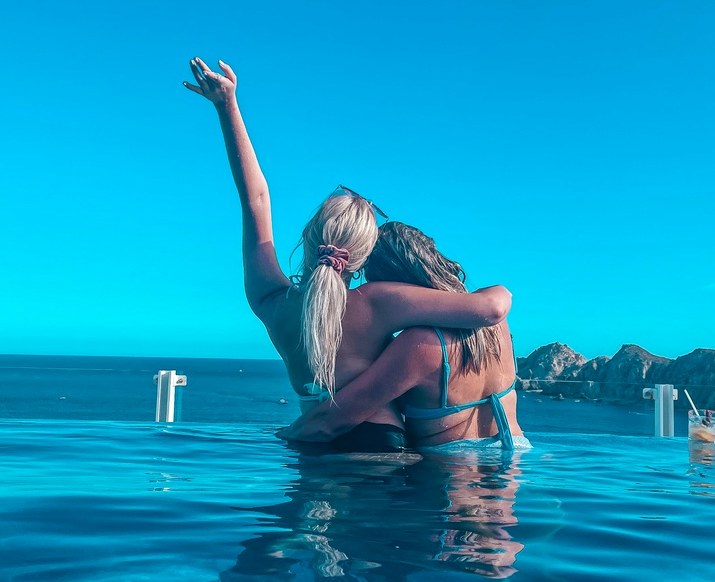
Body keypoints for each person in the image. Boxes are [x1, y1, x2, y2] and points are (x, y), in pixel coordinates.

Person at [183, 58, 511, 451]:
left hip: (315, 441)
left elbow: (254, 200)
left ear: (307, 237)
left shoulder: (268, 302)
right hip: (380, 443)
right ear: (363, 258)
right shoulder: (376, 302)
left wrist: (227, 106)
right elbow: (490, 309)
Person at [278, 221, 528, 454]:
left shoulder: (419, 345)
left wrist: (281, 436)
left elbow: (327, 424)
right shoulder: (497, 326)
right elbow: (496, 300)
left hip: (449, 473)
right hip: (517, 455)